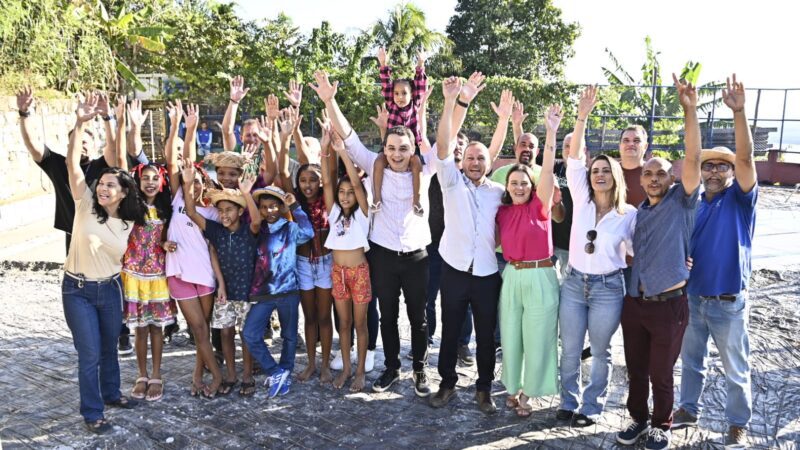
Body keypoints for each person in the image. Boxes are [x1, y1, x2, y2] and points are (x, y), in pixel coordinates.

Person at [310, 70, 433, 396]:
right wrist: (329, 100)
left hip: (417, 256)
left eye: (403, 148)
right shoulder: (373, 165)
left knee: (418, 318)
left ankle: (420, 369)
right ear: (384, 147)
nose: (396, 153)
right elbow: (348, 136)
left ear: (411, 149)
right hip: (382, 256)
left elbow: (445, 141)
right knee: (389, 316)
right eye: (391, 147)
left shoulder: (425, 170)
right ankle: (391, 368)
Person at [16, 88, 148, 355]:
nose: (83, 145)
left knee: (111, 279)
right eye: (78, 141)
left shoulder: (103, 167)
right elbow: (33, 145)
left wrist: (107, 117)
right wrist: (24, 113)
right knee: (80, 282)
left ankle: (119, 332)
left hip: (108, 233)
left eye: (87, 140)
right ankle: (87, 336)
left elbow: (115, 153)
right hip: (75, 234)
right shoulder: (59, 166)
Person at [616, 74, 702, 450]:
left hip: (669, 306)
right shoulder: (639, 212)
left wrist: (689, 110)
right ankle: (637, 420)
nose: (652, 178)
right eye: (647, 173)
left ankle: (661, 425)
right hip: (634, 303)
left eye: (660, 173)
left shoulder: (681, 204)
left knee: (660, 373)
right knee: (635, 371)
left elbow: (695, 156)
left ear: (672, 178)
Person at [673, 74, 757, 449]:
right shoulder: (692, 202)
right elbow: (692, 156)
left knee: (735, 369)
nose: (714, 171)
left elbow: (745, 157)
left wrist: (739, 113)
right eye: (710, 167)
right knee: (691, 362)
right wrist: (689, 111)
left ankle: (738, 422)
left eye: (722, 167)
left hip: (729, 302)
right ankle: (687, 409)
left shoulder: (741, 201)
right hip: (694, 299)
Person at [62, 92, 146, 433]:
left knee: (110, 347)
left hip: (110, 290)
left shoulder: (127, 221)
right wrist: (80, 123)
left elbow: (122, 164)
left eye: (112, 185)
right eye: (102, 184)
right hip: (77, 291)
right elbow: (71, 164)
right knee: (90, 354)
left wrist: (117, 121)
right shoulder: (83, 204)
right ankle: (92, 412)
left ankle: (112, 393)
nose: (103, 188)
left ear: (123, 192)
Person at [556, 86, 637, 427]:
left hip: (608, 288)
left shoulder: (629, 213)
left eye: (606, 170)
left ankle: (591, 407)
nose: (599, 174)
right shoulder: (582, 200)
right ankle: (568, 401)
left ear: (615, 177)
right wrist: (581, 117)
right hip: (574, 283)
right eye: (595, 171)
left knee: (601, 352)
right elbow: (574, 160)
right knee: (570, 350)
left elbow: (642, 249)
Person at [428, 76, 507, 414]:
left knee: (486, 334)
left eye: (481, 158)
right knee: (450, 332)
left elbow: (497, 147)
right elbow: (444, 145)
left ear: (490, 163)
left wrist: (504, 122)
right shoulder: (450, 183)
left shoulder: (499, 193)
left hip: (488, 273)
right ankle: (447, 383)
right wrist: (455, 101)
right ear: (463, 162)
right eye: (470, 157)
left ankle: (484, 388)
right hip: (455, 270)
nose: (475, 162)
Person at [496, 104, 562, 418]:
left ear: (531, 186)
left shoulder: (540, 206)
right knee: (510, 335)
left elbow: (547, 170)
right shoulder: (503, 211)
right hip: (512, 276)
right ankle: (512, 386)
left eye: (524, 182)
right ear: (507, 186)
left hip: (541, 276)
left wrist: (551, 132)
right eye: (514, 182)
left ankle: (529, 393)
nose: (520, 186)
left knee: (538, 338)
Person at [163, 103, 228, 398]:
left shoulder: (212, 212)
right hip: (178, 271)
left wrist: (220, 281)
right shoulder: (178, 194)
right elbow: (180, 161)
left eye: (202, 182)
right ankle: (215, 378)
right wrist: (185, 128)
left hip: (203, 274)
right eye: (194, 180)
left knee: (203, 331)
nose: (197, 185)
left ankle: (198, 376)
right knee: (198, 330)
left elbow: (214, 250)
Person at [183, 165, 261, 397]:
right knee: (226, 333)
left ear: (239, 211)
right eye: (221, 210)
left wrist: (246, 192)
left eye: (229, 209)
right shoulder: (216, 230)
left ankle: (247, 374)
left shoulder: (249, 230)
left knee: (246, 334)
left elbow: (257, 220)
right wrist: (188, 184)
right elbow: (191, 212)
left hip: (247, 291)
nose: (224, 214)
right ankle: (230, 374)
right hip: (224, 293)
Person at [276, 108, 336, 384]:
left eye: (314, 179)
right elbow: (281, 172)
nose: (309, 184)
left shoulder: (327, 199)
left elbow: (328, 169)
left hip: (325, 263)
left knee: (325, 317)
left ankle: (325, 363)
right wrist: (285, 137)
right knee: (309, 317)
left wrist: (324, 147)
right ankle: (311, 363)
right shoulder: (294, 202)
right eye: (304, 180)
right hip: (302, 264)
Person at [244, 185, 313, 397]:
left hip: (288, 290)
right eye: (264, 207)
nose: (269, 211)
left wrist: (296, 207)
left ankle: (285, 371)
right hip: (263, 292)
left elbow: (308, 233)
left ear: (281, 207)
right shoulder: (258, 228)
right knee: (250, 333)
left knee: (289, 335)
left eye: (273, 206)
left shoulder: (290, 228)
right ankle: (275, 371)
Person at [320, 125, 373, 392]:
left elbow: (354, 182)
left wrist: (343, 154)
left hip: (359, 273)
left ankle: (361, 371)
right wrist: (325, 147)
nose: (345, 196)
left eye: (349, 192)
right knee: (344, 324)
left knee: (361, 324)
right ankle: (347, 369)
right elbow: (328, 181)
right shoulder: (334, 213)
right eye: (342, 193)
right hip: (338, 272)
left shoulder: (364, 212)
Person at [122, 161, 178, 403]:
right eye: (145, 177)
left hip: (157, 276)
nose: (150, 182)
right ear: (138, 180)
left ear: (162, 181)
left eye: (155, 178)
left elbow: (164, 238)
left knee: (157, 327)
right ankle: (141, 374)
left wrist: (165, 245)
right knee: (140, 329)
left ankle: (156, 374)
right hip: (133, 275)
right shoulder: (130, 206)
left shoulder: (167, 209)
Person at [371, 47, 427, 215]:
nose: (400, 97)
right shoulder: (391, 104)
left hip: (410, 146)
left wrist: (421, 64)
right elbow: (386, 84)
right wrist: (383, 63)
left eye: (404, 93)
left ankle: (416, 201)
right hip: (391, 145)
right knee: (379, 162)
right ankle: (377, 199)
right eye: (397, 93)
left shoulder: (415, 103)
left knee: (417, 165)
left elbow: (420, 84)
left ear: (412, 94)